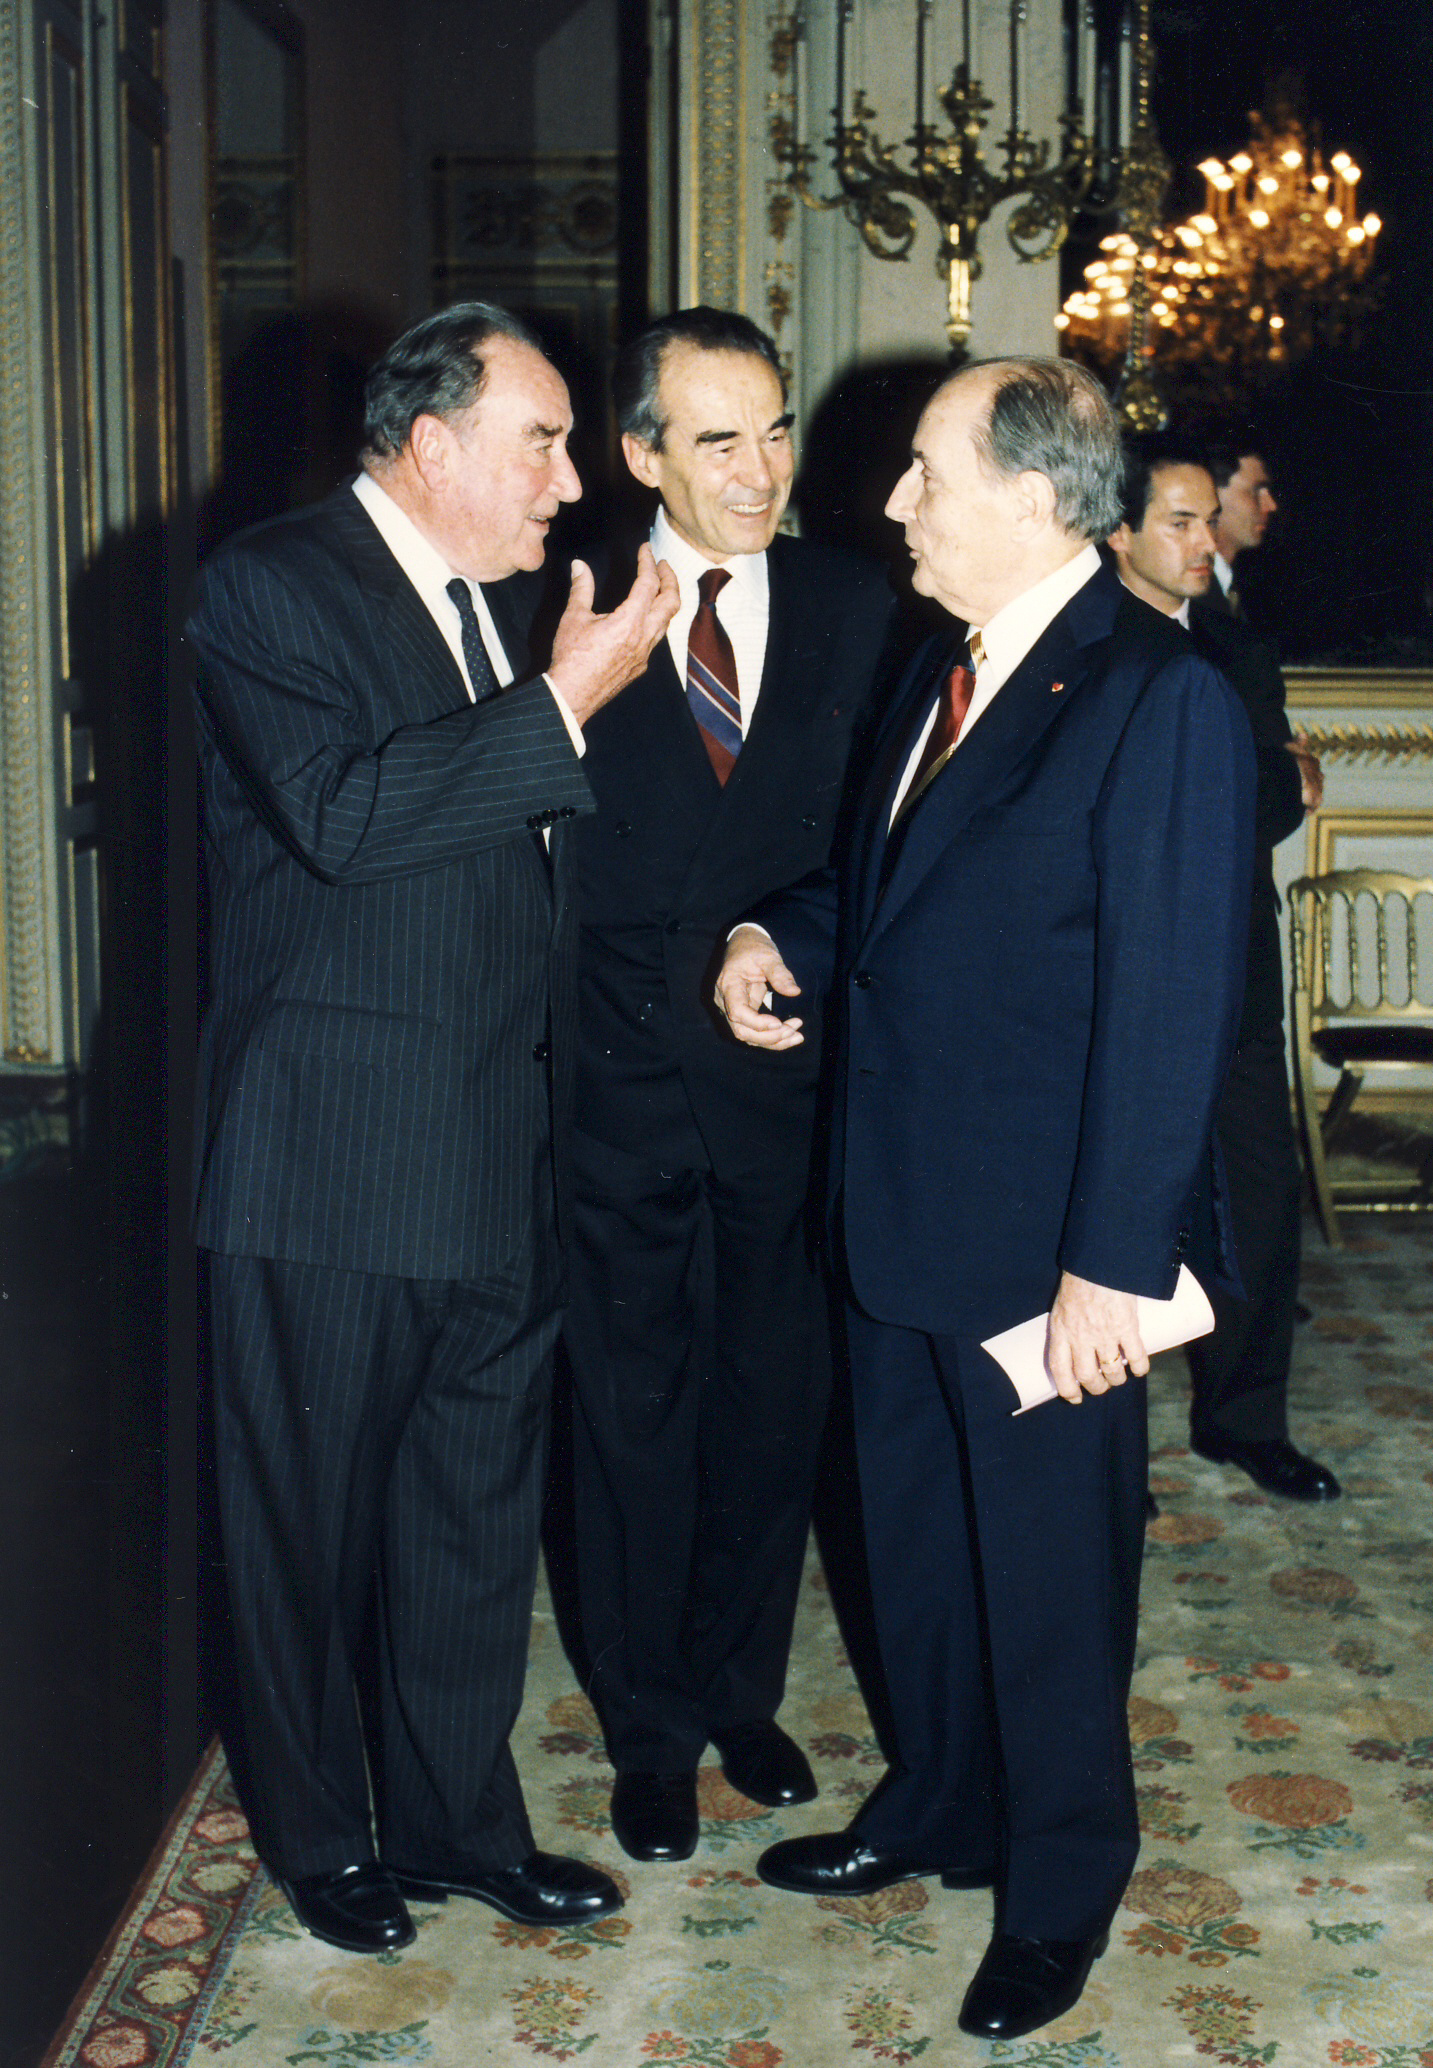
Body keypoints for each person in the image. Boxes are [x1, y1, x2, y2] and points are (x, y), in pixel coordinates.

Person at [715, 357, 1255, 2042]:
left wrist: (1111, 1263)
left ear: (1030, 498)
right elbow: (881, 882)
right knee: (912, 1550)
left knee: (1045, 1579)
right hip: (896, 1211)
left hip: (1043, 1248)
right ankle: (936, 1801)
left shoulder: (1154, 698)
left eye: (922, 474)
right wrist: (770, 934)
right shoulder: (943, 662)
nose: (889, 502)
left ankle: (1060, 1884)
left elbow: (1174, 1007)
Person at [190, 303, 679, 1954]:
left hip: (490, 1148)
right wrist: (565, 705)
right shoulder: (271, 584)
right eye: (540, 441)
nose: (568, 479)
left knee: (469, 1521)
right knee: (303, 1535)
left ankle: (465, 1824)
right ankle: (326, 1837)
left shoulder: (504, 604)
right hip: (327, 1159)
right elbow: (340, 821)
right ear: (433, 442)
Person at [564, 308, 894, 1863]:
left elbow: (880, 857)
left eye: (772, 430)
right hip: (614, 1098)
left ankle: (737, 1698)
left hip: (786, 1088)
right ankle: (643, 1732)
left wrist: (786, 940)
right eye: (715, 439)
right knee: (633, 1425)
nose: (758, 469)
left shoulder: (856, 605)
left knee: (773, 1410)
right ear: (639, 456)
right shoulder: (552, 612)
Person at [1108, 435, 1339, 1502]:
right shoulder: (1087, 640)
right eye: (1182, 522)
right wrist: (1255, 776)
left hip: (1235, 971)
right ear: (1118, 528)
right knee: (1114, 1211)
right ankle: (1104, 1449)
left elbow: (1284, 799)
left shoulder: (1235, 646)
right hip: (1111, 979)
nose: (1208, 543)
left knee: (1256, 1190)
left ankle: (1243, 1420)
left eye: (1211, 519)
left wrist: (1259, 779)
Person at [1203, 435, 1278, 615]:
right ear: (1213, 494)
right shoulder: (1185, 594)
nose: (1271, 505)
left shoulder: (1241, 586)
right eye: (1255, 491)